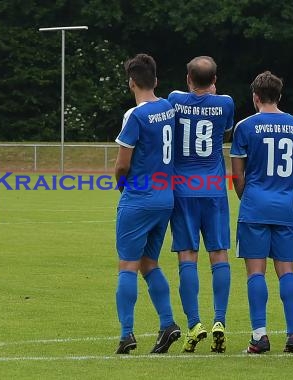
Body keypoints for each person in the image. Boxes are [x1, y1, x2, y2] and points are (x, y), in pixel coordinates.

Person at [230, 71, 293, 354]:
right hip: (285, 207)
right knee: (287, 271)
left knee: (256, 273)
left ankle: (260, 336)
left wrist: (248, 198)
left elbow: (237, 175)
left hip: (254, 206)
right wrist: (285, 189)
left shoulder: (245, 126)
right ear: (279, 95)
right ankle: (292, 334)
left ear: (255, 96)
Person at [114, 53, 180, 354]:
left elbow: (121, 165)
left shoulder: (135, 115)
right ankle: (168, 324)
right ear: (155, 80)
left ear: (131, 82)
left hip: (139, 197)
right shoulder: (168, 107)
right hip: (165, 198)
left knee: (127, 265)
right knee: (149, 263)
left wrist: (122, 188)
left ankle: (126, 334)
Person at [167, 56, 234, 353]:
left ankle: (195, 323)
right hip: (214, 188)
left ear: (188, 79)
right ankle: (219, 319)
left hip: (182, 187)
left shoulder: (174, 99)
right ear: (215, 80)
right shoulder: (226, 103)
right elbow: (226, 125)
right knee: (219, 255)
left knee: (187, 257)